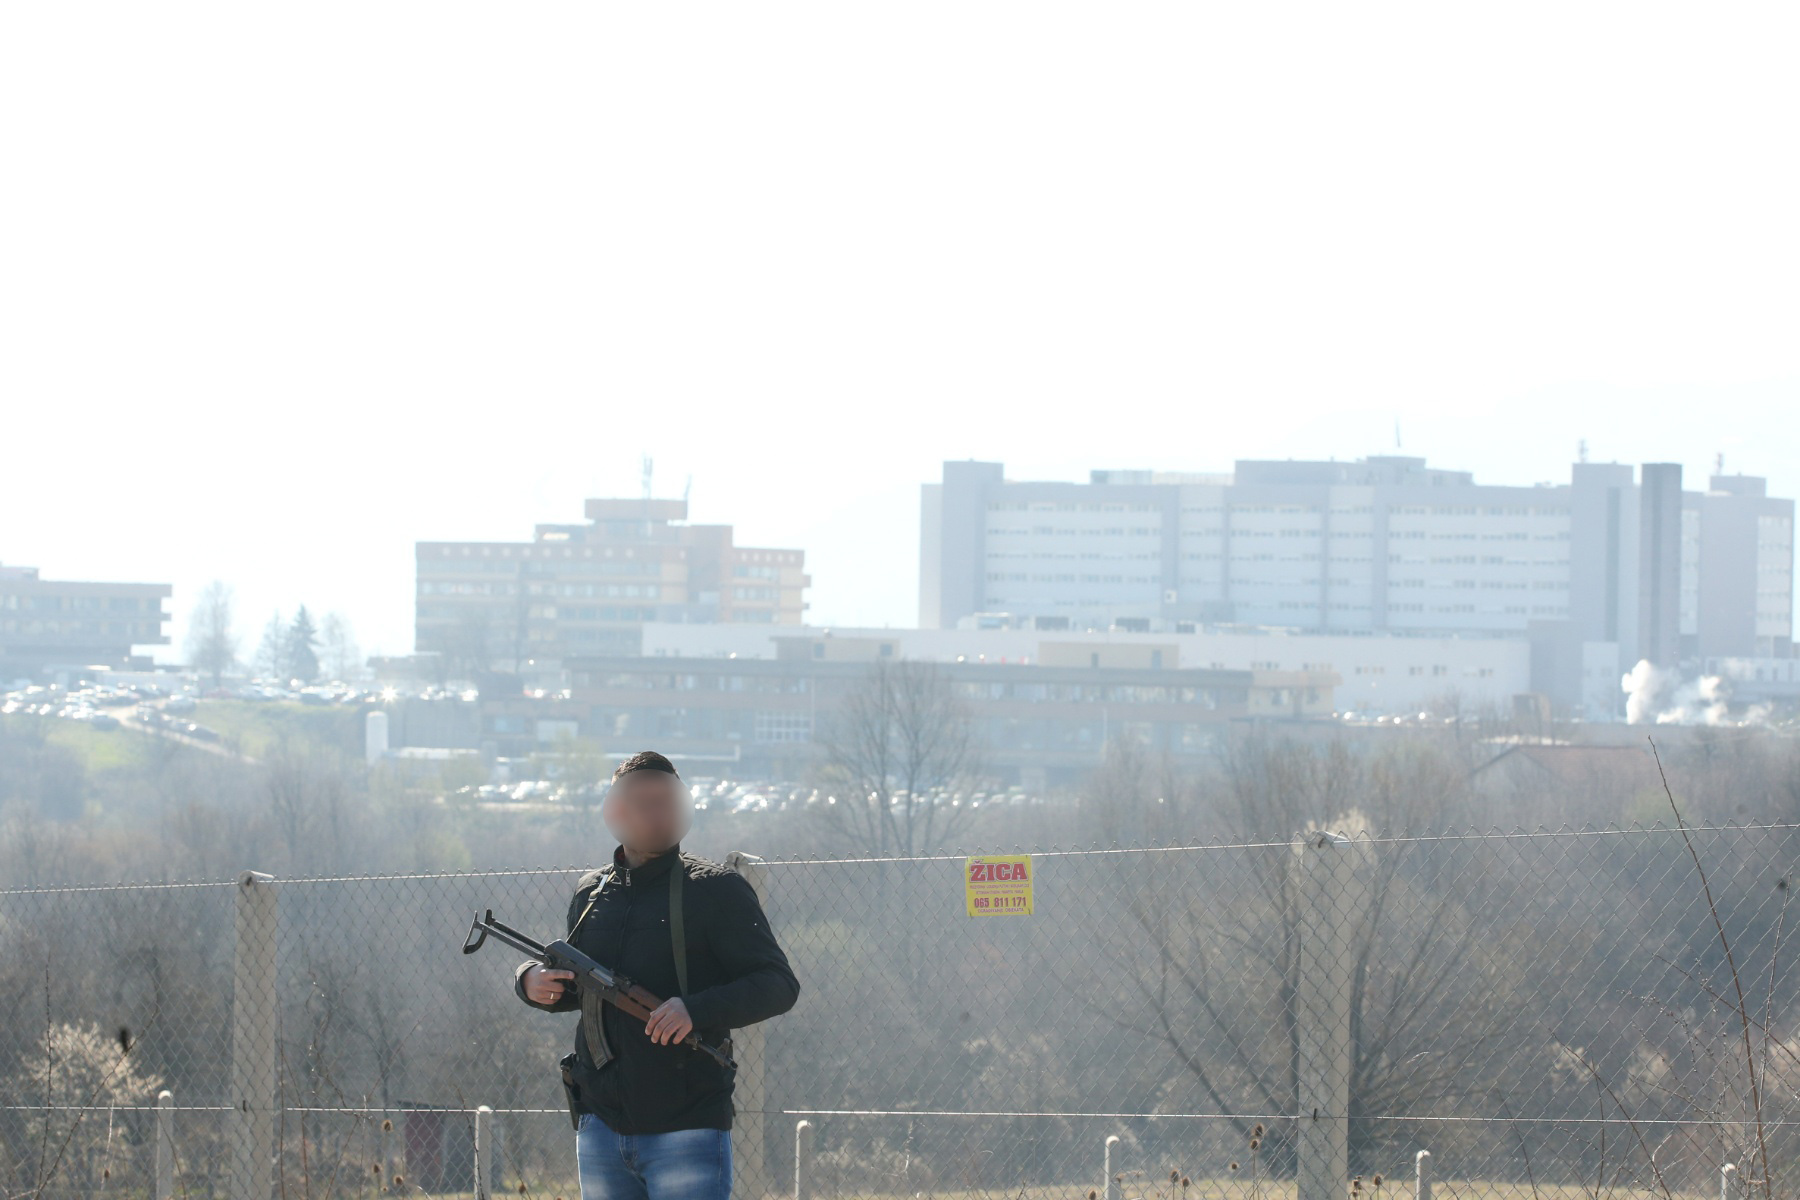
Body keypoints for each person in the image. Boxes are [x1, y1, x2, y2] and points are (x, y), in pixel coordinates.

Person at [515, 750, 800, 1200]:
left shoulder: (717, 889)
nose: (657, 812)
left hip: (687, 1126)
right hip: (600, 1125)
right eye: (643, 801)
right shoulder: (592, 892)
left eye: (666, 800)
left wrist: (694, 1010)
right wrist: (530, 981)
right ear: (616, 811)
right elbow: (580, 988)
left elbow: (778, 985)